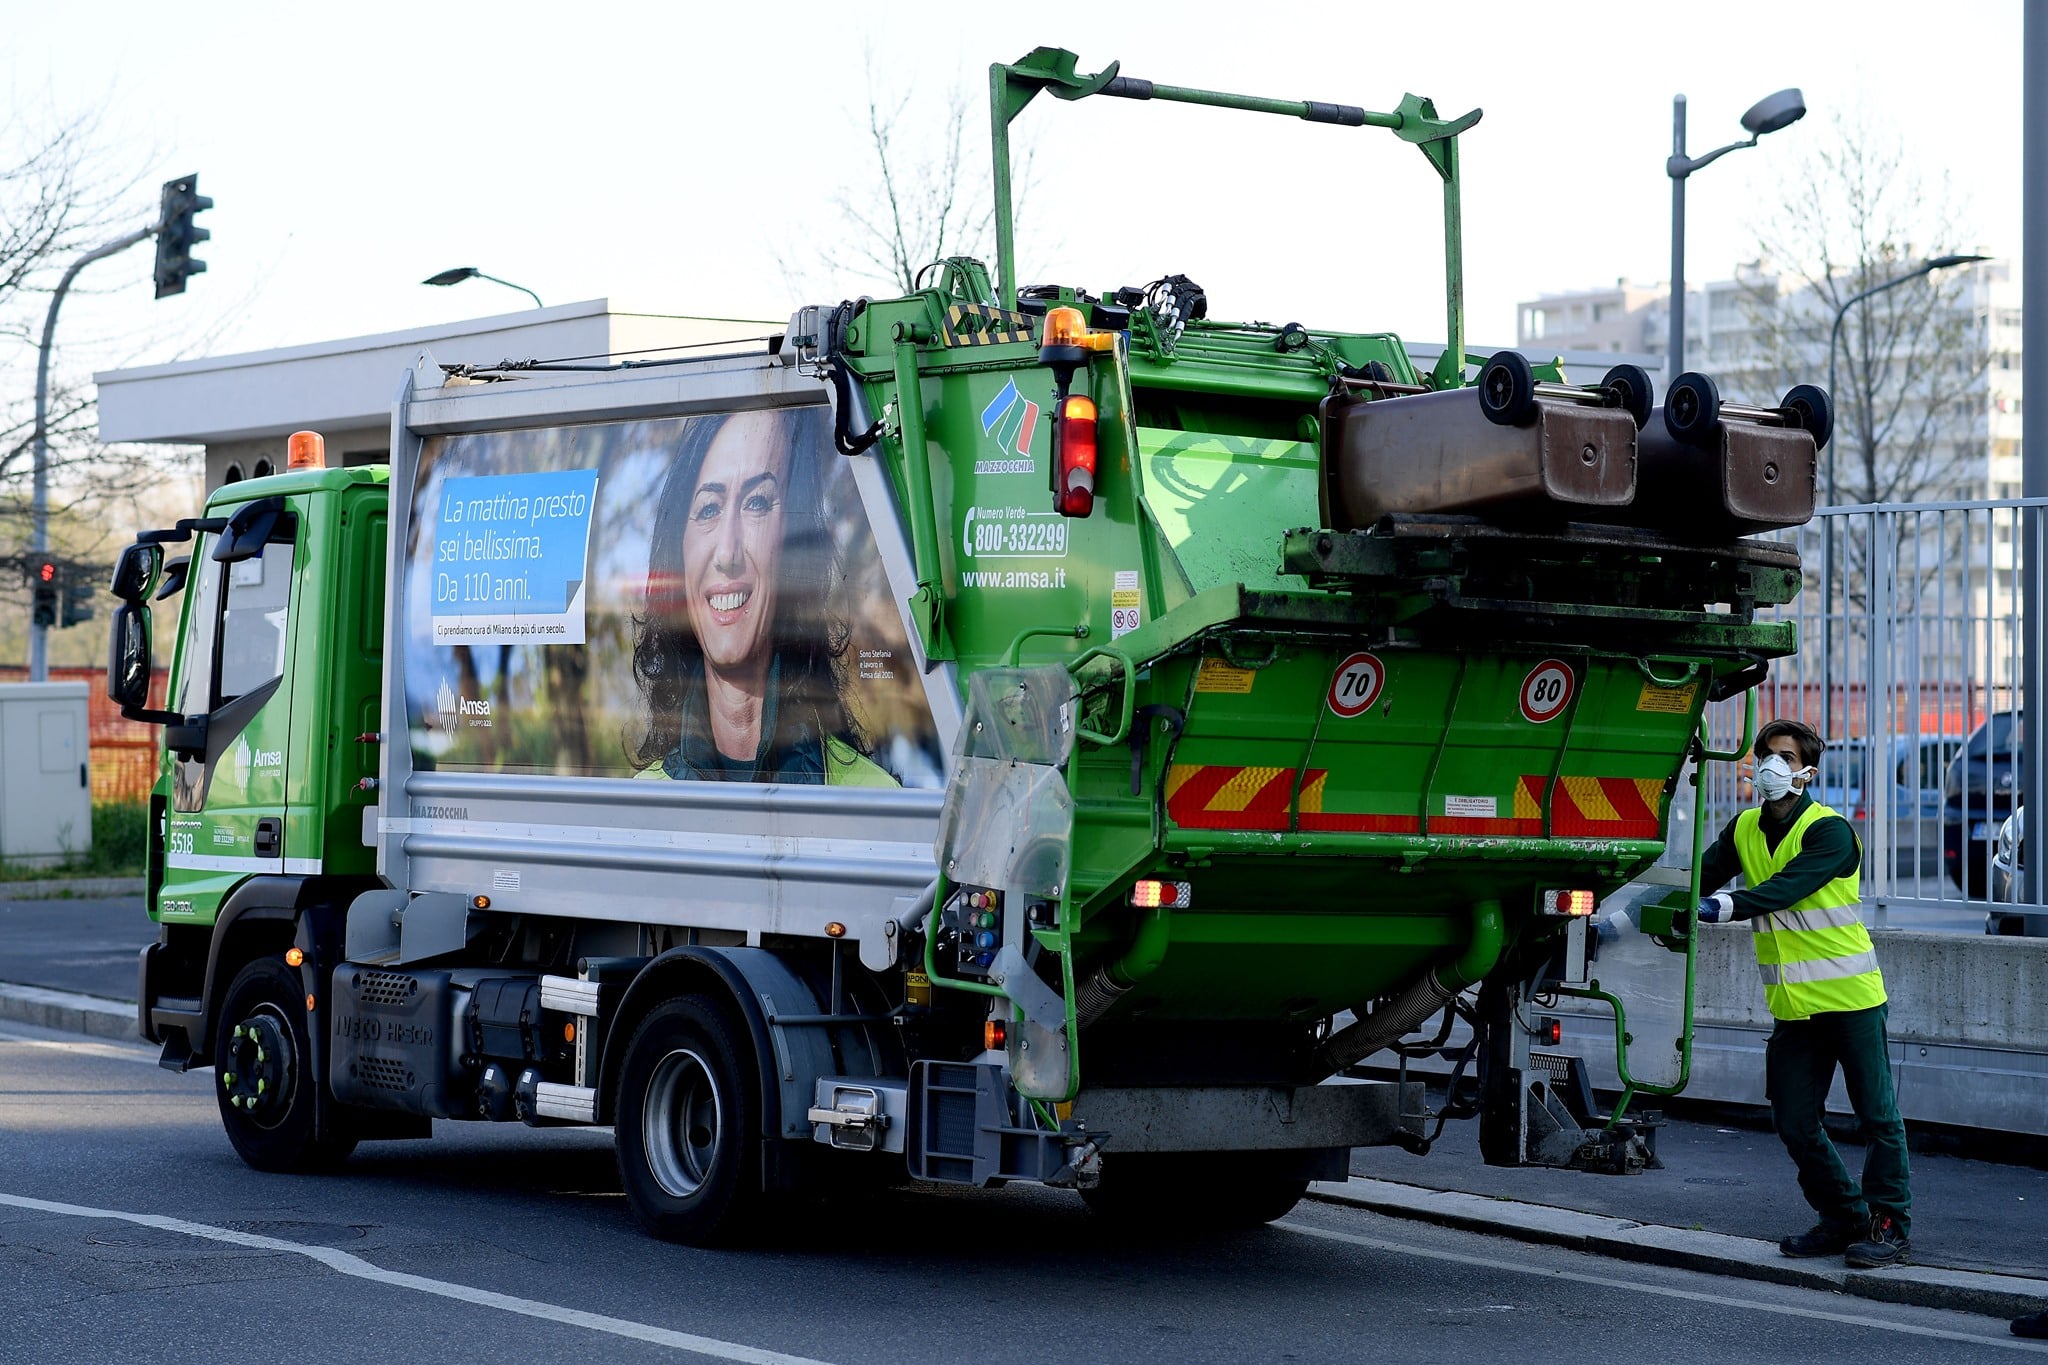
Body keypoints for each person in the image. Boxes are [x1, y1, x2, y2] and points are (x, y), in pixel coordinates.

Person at [1695, 717, 1911, 1269]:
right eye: (1766, 753)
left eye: (1785, 756)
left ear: (1807, 771)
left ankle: (1889, 1226)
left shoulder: (1830, 831)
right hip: (1794, 1007)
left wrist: (1722, 907)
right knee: (1792, 1119)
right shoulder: (1744, 828)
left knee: (1877, 1118)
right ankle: (1843, 1215)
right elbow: (1697, 879)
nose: (1771, 764)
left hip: (1852, 1001)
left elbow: (1785, 890)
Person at [630, 407, 894, 786]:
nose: (727, 553)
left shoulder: (875, 803)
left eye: (756, 503)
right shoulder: (642, 810)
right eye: (708, 509)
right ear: (679, 552)